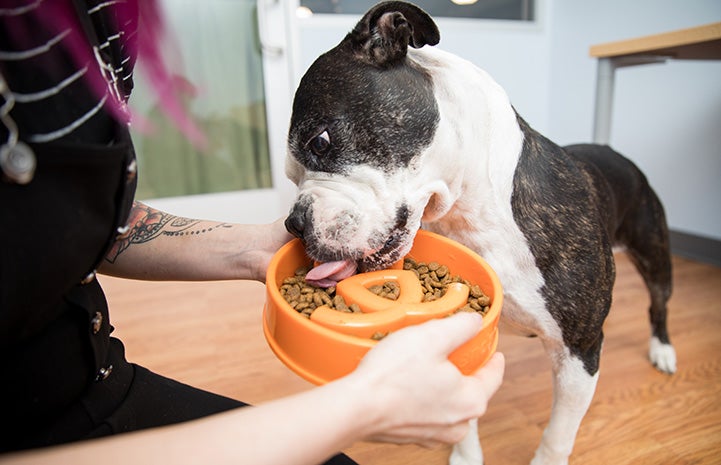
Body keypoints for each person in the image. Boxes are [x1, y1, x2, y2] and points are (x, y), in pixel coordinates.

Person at [0, 1, 505, 464]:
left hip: (97, 380)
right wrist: (363, 406)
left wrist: (256, 250)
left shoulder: (97, 17)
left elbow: (86, 222)